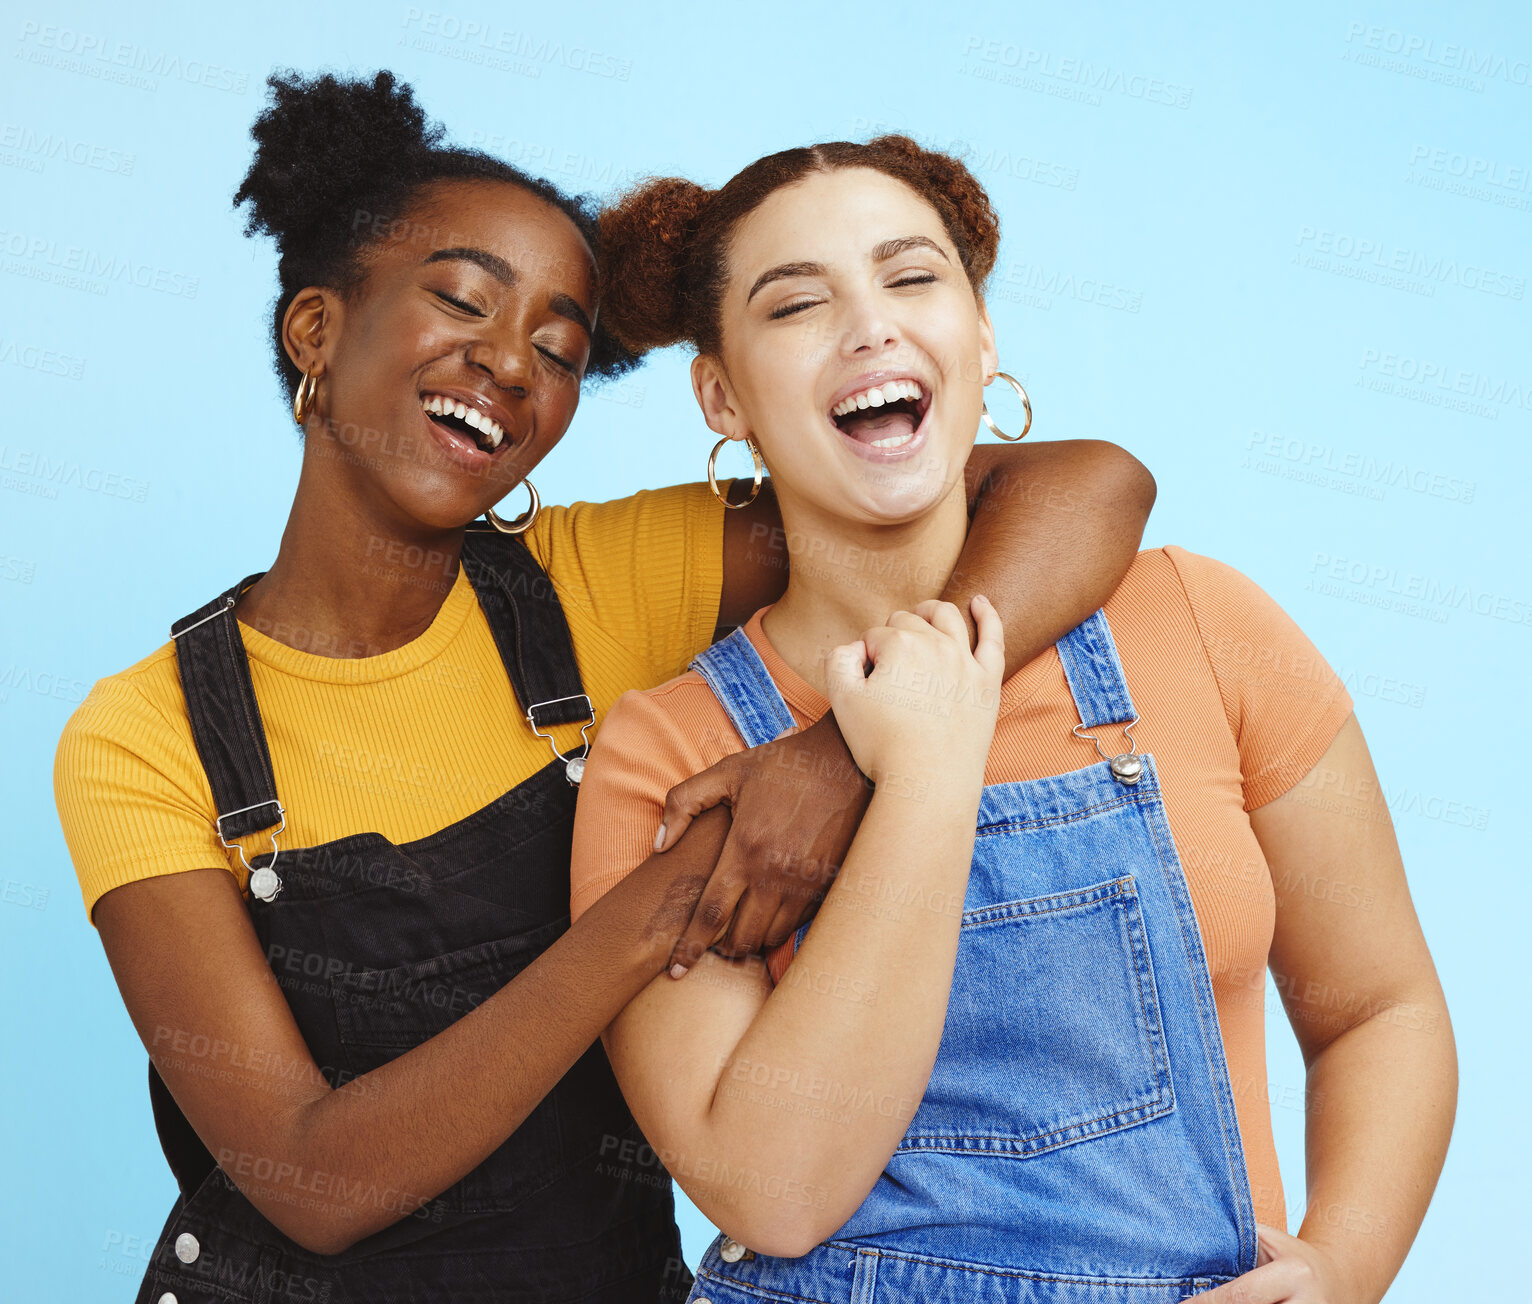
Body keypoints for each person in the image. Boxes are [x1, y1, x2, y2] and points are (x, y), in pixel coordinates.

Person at [51, 74, 1155, 1304]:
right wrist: (669, 892)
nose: (507, 363)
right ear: (315, 329)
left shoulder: (589, 583)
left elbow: (1082, 481)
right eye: (462, 299)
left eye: (559, 350)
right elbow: (310, 1177)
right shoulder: (144, 735)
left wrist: (841, 758)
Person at [570, 136, 1457, 1304]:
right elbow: (771, 1188)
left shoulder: (1198, 621)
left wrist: (1343, 1265)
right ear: (721, 394)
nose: (870, 327)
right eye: (796, 304)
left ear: (981, 339)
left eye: (911, 278)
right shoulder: (670, 752)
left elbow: (1377, 1008)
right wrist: (925, 767)